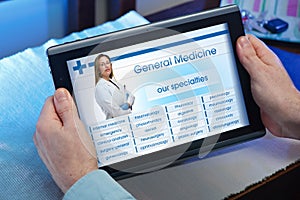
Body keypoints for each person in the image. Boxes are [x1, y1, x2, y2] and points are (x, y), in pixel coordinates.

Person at [33, 34, 300, 199]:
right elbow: (119, 108)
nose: (105, 67)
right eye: (101, 65)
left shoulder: (116, 84)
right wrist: (292, 112)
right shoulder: (102, 88)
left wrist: (80, 178)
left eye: (108, 63)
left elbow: (129, 102)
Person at [94, 54, 135, 119]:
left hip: (127, 120)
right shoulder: (100, 87)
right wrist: (127, 109)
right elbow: (115, 112)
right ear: (98, 69)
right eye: (102, 64)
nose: (106, 66)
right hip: (116, 123)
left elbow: (131, 96)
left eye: (107, 63)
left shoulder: (114, 82)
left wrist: (127, 104)